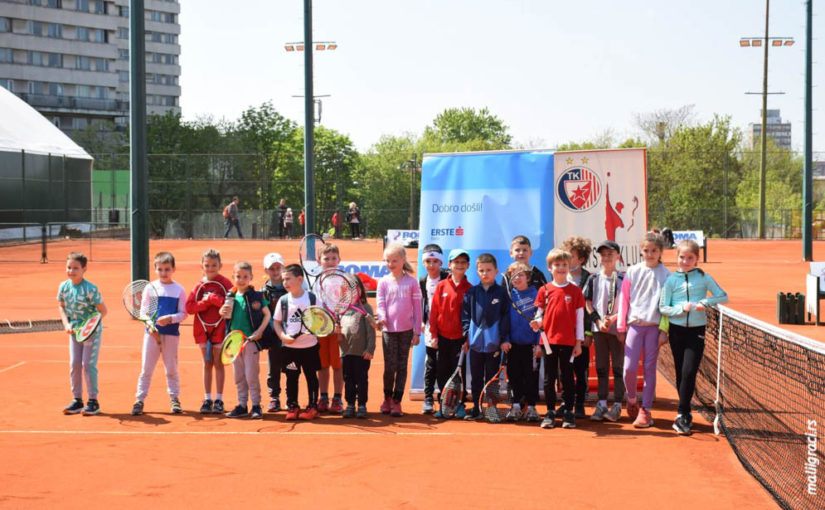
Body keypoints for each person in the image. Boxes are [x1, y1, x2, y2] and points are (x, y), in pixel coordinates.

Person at [660, 239, 728, 435]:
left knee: (689, 372)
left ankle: (683, 413)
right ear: (677, 257)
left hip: (697, 331)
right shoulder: (671, 281)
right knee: (681, 372)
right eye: (682, 257)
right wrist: (681, 308)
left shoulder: (704, 278)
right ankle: (684, 411)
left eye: (690, 257)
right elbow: (663, 307)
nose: (685, 261)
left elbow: (723, 296)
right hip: (676, 331)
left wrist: (705, 302)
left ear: (697, 259)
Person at [617, 232, 671, 428]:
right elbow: (624, 300)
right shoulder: (632, 272)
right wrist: (622, 327)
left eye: (654, 251)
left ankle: (646, 410)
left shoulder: (667, 275)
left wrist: (664, 330)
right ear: (641, 251)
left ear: (660, 252)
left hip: (654, 329)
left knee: (649, 369)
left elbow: (667, 305)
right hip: (634, 327)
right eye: (646, 250)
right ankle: (631, 399)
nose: (650, 254)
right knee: (629, 368)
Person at [530, 248, 585, 430]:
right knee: (549, 378)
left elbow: (579, 319)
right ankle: (550, 412)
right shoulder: (544, 290)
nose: (560, 268)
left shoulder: (576, 291)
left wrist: (578, 342)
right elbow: (539, 315)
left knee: (567, 377)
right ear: (549, 267)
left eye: (564, 265)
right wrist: (537, 323)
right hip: (547, 341)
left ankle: (568, 411)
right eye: (557, 265)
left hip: (568, 342)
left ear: (569, 267)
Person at [131, 252, 188, 416]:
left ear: (173, 269)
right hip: (151, 335)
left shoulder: (179, 290)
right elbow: (143, 311)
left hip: (171, 335)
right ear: (155, 269)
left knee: (171, 368)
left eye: (167, 269)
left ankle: (174, 399)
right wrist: (150, 326)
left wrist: (170, 318)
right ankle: (139, 400)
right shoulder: (150, 287)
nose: (164, 273)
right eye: (160, 269)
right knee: (146, 369)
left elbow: (183, 313)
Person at [220, 261, 273, 419]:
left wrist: (259, 331)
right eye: (238, 276)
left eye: (245, 276)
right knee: (239, 376)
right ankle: (242, 405)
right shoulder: (230, 297)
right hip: (234, 343)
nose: (241, 280)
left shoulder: (256, 296)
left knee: (251, 375)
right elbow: (225, 316)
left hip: (250, 342)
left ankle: (256, 405)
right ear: (233, 277)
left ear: (251, 277)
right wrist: (221, 311)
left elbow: (267, 315)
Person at [461, 253, 510, 422]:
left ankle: (492, 408)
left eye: (489, 270)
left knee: (492, 379)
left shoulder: (502, 293)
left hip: (494, 345)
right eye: (481, 270)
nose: (485, 273)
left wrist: (503, 339)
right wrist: (467, 334)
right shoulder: (472, 292)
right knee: (476, 377)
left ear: (496, 271)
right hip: (475, 344)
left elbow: (505, 317)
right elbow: (465, 315)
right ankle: (476, 406)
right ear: (477, 272)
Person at [375, 242, 422, 417]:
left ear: (403, 260)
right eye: (387, 260)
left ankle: (397, 401)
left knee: (402, 366)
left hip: (406, 331)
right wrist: (382, 317)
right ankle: (386, 397)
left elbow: (418, 307)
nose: (390, 264)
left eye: (394, 260)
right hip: (388, 331)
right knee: (389, 367)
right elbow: (380, 303)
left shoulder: (412, 282)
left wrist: (417, 331)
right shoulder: (383, 283)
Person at [58, 252, 108, 416]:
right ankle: (77, 400)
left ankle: (93, 401)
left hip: (91, 334)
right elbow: (62, 306)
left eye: (76, 268)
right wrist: (66, 324)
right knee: (74, 364)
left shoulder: (90, 289)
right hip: (74, 332)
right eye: (69, 267)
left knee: (88, 365)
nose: (71, 271)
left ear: (84, 269)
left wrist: (88, 327)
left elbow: (103, 311)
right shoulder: (63, 287)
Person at [185, 249, 233, 414]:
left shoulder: (226, 284)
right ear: (202, 266)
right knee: (207, 364)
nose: (211, 268)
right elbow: (190, 308)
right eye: (207, 265)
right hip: (202, 331)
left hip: (220, 330)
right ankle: (207, 399)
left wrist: (214, 299)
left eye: (214, 265)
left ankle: (219, 399)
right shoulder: (198, 286)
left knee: (219, 363)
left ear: (220, 265)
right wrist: (205, 304)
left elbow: (232, 305)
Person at [272, 264, 322, 420]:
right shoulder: (283, 300)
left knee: (311, 376)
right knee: (291, 377)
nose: (284, 282)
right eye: (283, 279)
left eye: (288, 279)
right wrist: (283, 337)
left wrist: (314, 329)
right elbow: (277, 322)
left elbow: (321, 319)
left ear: (300, 279)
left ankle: (312, 406)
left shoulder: (312, 298)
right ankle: (292, 405)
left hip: (310, 347)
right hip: (289, 348)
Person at [583, 240, 625, 422]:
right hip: (599, 330)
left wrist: (614, 320)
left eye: (611, 254)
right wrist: (598, 322)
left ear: (618, 257)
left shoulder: (625, 279)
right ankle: (601, 404)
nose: (607, 257)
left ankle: (616, 405)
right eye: (603, 254)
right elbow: (588, 303)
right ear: (598, 258)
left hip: (618, 331)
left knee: (618, 367)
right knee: (601, 367)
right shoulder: (593, 279)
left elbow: (628, 305)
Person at [429, 248, 472, 418]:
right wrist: (433, 335)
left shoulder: (470, 288)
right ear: (449, 265)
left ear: (467, 266)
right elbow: (433, 313)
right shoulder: (441, 286)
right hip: (442, 338)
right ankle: (444, 405)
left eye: (463, 262)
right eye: (456, 262)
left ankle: (460, 404)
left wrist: (468, 339)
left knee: (459, 374)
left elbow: (472, 318)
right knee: (442, 372)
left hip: (461, 340)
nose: (459, 265)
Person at [504, 261, 541, 422]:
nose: (516, 278)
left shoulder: (536, 294)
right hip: (513, 345)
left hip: (531, 345)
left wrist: (539, 343)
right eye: (513, 274)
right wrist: (505, 340)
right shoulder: (509, 296)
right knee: (514, 376)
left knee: (530, 377)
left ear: (528, 277)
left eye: (520, 274)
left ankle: (531, 407)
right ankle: (516, 406)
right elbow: (504, 321)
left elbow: (541, 320)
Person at [561, 236, 592, 419]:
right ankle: (566, 403)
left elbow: (589, 309)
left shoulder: (590, 278)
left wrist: (587, 333)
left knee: (581, 371)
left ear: (581, 259)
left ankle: (579, 404)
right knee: (563, 371)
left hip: (581, 334)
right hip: (562, 334)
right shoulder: (559, 277)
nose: (567, 260)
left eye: (571, 256)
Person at [338, 276, 376, 418]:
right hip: (346, 353)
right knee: (348, 379)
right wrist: (337, 335)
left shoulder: (365, 308)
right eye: (347, 289)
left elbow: (371, 331)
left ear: (360, 290)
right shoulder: (341, 309)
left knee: (361, 379)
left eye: (354, 289)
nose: (351, 292)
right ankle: (349, 405)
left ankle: (361, 405)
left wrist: (370, 349)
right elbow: (340, 335)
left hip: (361, 353)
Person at [419, 243, 450, 414]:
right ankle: (428, 399)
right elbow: (426, 304)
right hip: (431, 329)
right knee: (431, 365)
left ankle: (445, 398)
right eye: (428, 261)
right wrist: (424, 322)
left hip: (448, 328)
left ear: (441, 262)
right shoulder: (423, 281)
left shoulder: (448, 278)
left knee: (446, 364)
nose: (431, 265)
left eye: (435, 261)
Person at [314, 243, 345, 414]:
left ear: (339, 260)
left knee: (338, 365)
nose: (331, 262)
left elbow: (347, 303)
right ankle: (323, 397)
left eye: (334, 258)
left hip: (338, 330)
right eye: (327, 259)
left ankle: (338, 398)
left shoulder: (344, 279)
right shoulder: (315, 280)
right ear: (319, 260)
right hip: (321, 329)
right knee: (322, 365)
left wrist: (340, 324)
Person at [262, 253, 288, 412]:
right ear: (266, 270)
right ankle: (274, 397)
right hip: (273, 336)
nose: (275, 271)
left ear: (283, 268)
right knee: (274, 368)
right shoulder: (263, 291)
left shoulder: (290, 286)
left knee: (291, 368)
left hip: (290, 335)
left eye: (278, 267)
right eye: (271, 268)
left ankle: (291, 397)